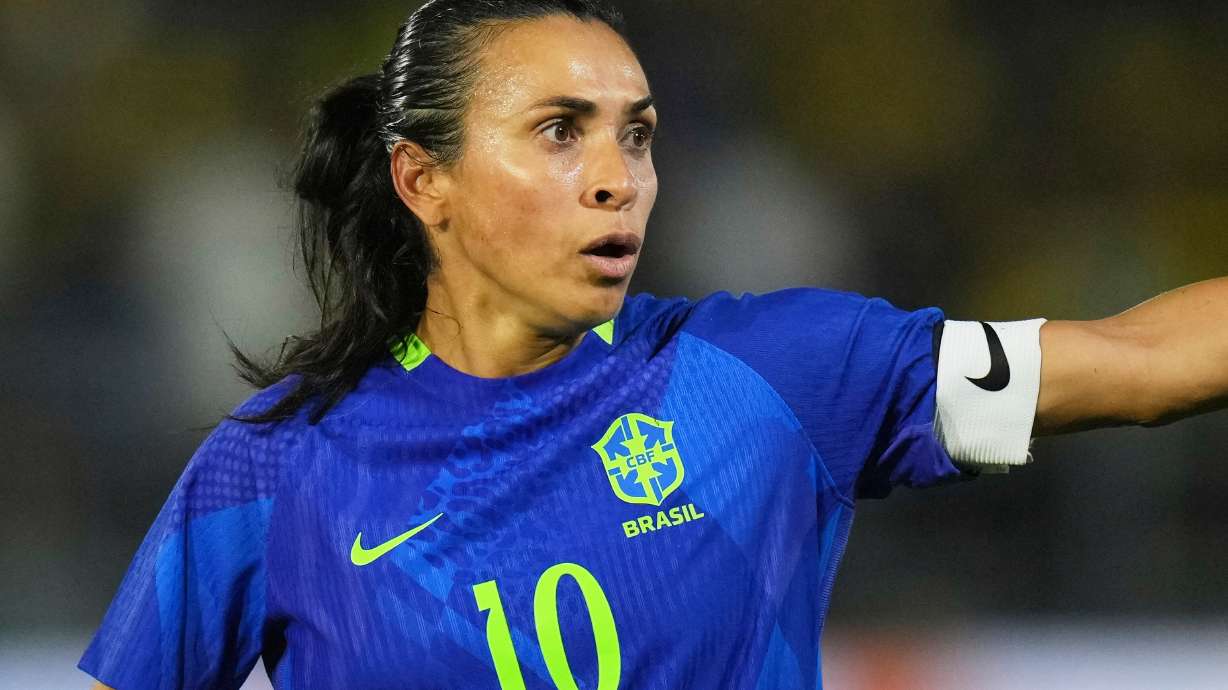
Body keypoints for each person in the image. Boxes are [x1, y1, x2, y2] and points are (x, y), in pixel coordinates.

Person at [79, 1, 1228, 688]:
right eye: (558, 132)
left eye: (637, 134)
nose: (614, 178)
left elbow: (1136, 363)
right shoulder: (275, 467)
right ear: (422, 178)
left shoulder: (777, 377)